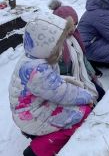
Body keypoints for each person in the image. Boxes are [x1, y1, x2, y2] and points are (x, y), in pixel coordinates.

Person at [9, 13, 95, 156]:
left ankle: (41, 135)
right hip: (31, 115)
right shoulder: (38, 70)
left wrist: (71, 83)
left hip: (31, 107)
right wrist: (87, 96)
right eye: (59, 44)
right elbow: (62, 93)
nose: (62, 47)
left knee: (77, 105)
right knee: (82, 113)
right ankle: (39, 149)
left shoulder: (33, 57)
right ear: (46, 45)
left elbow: (53, 84)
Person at [48, 0, 105, 101]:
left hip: (82, 77)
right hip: (67, 83)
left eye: (75, 24)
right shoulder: (54, 44)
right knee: (88, 102)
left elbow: (83, 59)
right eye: (70, 25)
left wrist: (92, 74)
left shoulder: (75, 37)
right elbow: (56, 71)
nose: (73, 28)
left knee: (101, 94)